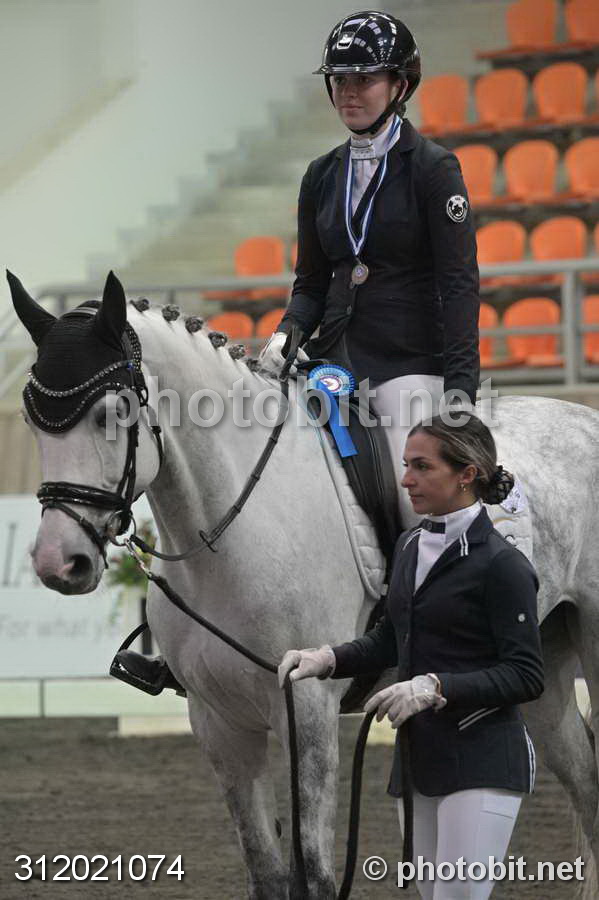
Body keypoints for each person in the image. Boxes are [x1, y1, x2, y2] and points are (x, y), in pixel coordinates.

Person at [278, 413, 544, 900]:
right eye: (406, 465)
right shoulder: (409, 545)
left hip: (483, 759)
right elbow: (391, 638)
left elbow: (525, 675)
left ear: (466, 474)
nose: (406, 480)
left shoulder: (503, 565)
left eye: (422, 466)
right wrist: (329, 658)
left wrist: (435, 687)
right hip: (418, 757)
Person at [259, 10, 480, 520]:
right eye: (340, 81)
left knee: (414, 500)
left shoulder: (434, 169)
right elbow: (311, 283)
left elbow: (459, 285)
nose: (349, 93)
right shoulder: (320, 175)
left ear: (399, 85)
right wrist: (287, 333)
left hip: (408, 363)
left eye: (364, 80)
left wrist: (460, 389)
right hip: (334, 360)